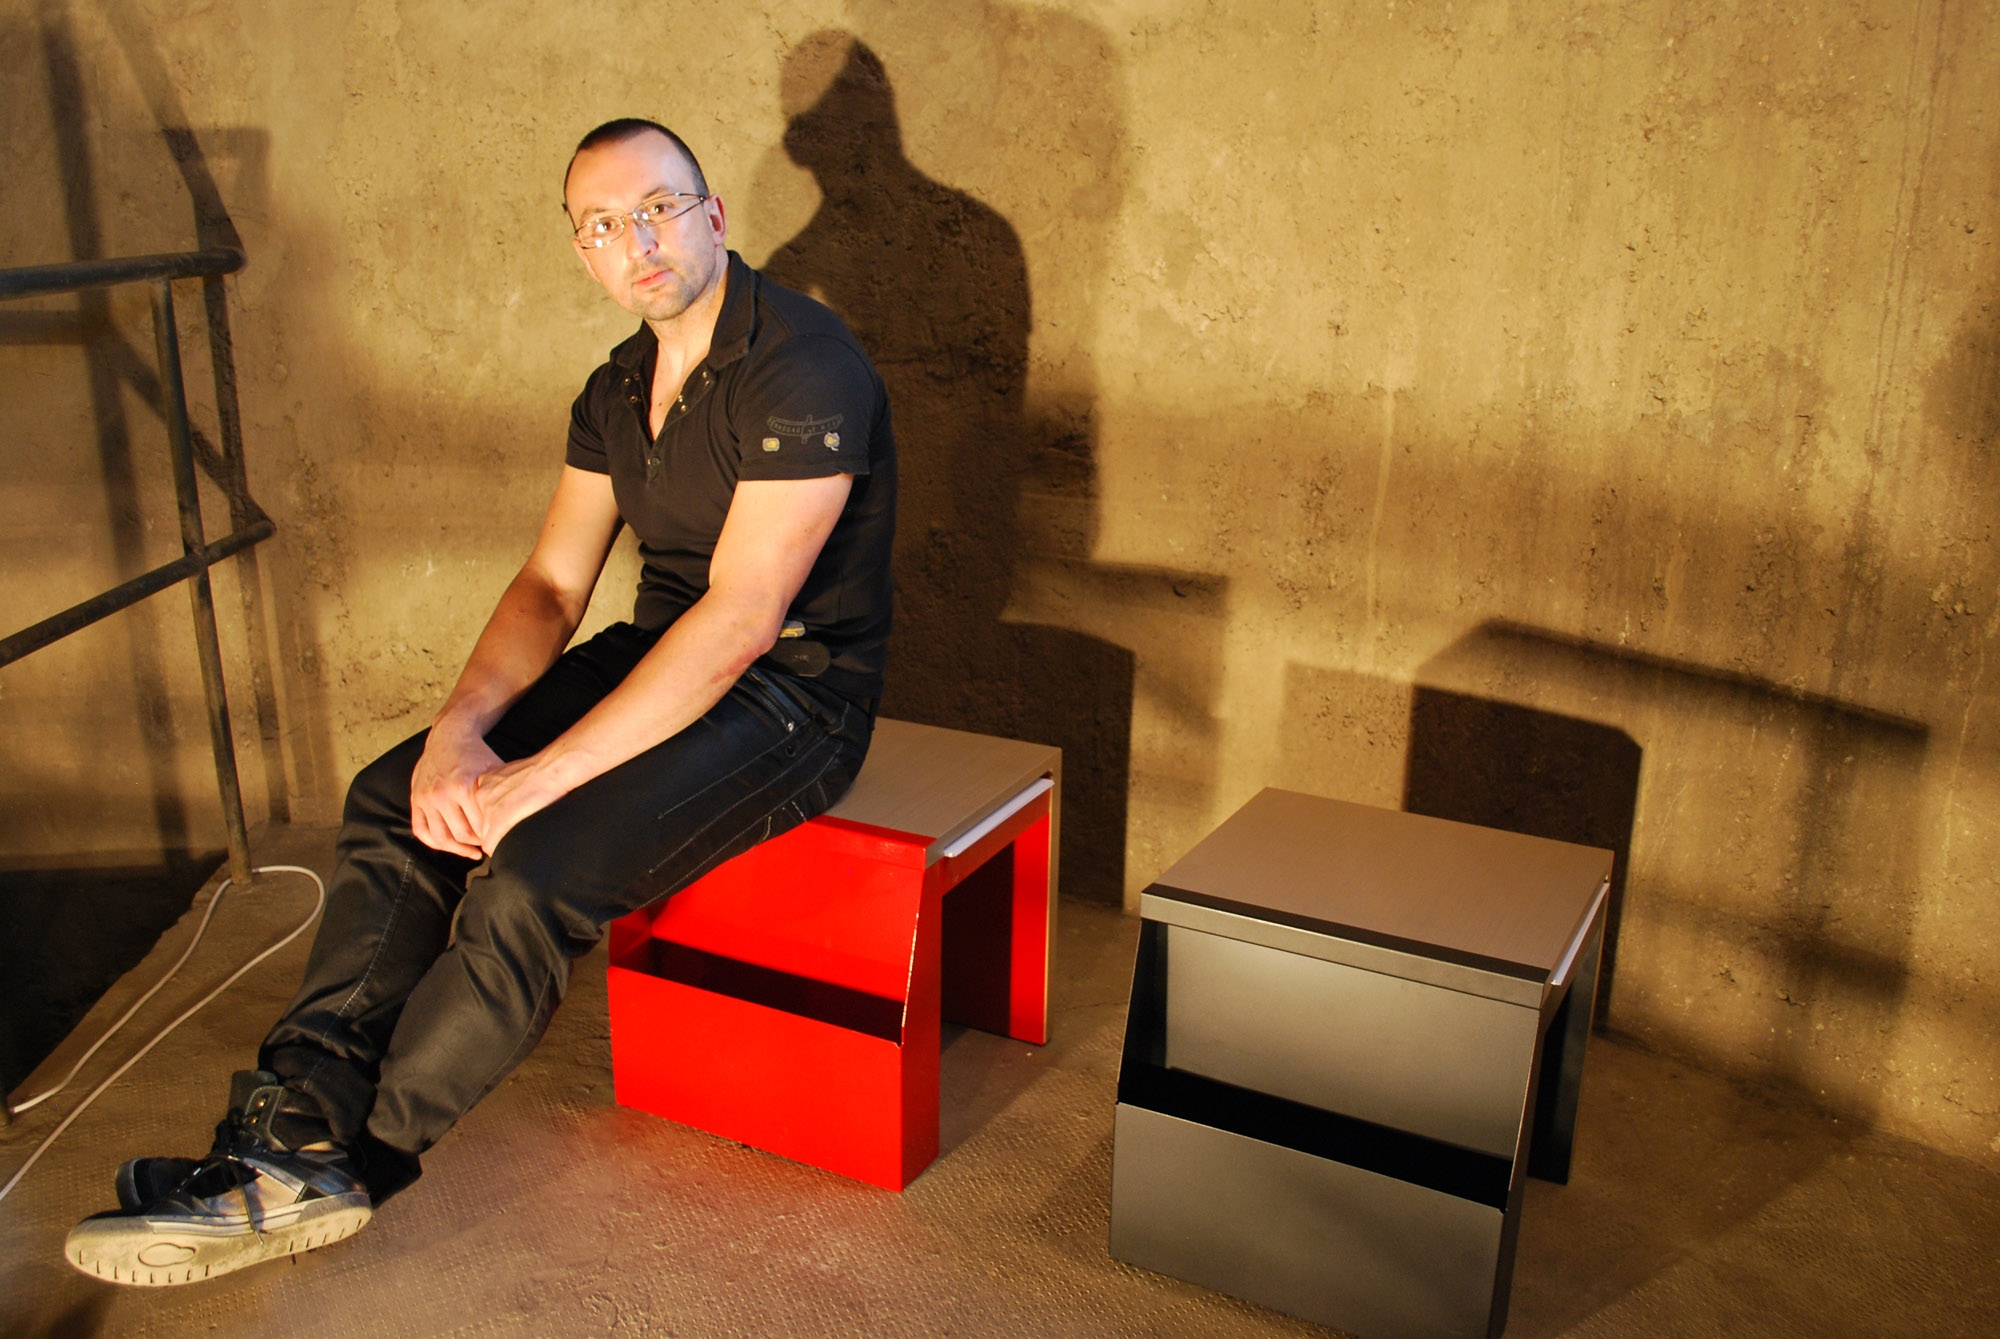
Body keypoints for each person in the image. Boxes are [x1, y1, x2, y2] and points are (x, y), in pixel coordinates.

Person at [65, 118, 896, 1286]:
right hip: (659, 653)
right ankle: (291, 1124)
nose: (636, 241)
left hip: (793, 697)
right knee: (389, 796)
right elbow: (551, 584)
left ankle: (344, 1163)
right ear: (582, 253)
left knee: (531, 877)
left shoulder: (803, 362)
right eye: (602, 225)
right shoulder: (616, 386)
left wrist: (533, 781)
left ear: (711, 216)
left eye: (657, 209)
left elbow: (743, 618)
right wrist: (458, 736)